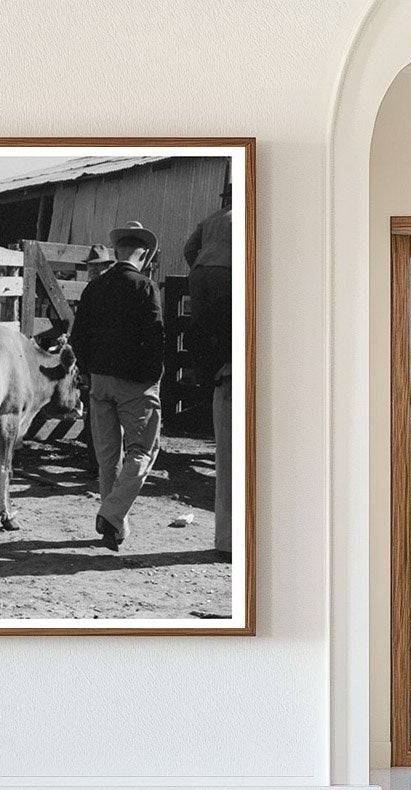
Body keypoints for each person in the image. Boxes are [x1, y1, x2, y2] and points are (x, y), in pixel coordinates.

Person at [69, 221, 165, 552]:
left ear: (118, 252)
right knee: (143, 451)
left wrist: (88, 372)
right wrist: (152, 378)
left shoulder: (94, 288)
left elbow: (77, 338)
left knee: (108, 458)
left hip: (99, 383)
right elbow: (156, 340)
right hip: (134, 385)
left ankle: (114, 529)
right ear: (145, 255)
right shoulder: (146, 288)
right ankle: (110, 513)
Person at [184, 188, 232, 556]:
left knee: (203, 329)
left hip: (201, 274)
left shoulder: (210, 219)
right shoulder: (244, 217)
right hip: (229, 273)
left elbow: (188, 249)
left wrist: (199, 268)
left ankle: (205, 371)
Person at [76, 245, 117, 475]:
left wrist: (83, 364)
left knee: (97, 415)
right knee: (98, 416)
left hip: (99, 362)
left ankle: (99, 464)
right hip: (106, 362)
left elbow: (81, 332)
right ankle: (100, 463)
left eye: (96, 266)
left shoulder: (93, 291)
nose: (92, 271)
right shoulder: (102, 290)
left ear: (105, 267)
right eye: (90, 267)